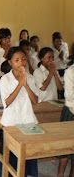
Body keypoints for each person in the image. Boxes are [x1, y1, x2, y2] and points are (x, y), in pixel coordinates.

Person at [0, 47, 39, 177]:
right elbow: (7, 102)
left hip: (28, 122)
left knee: (28, 158)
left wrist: (25, 83)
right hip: (11, 124)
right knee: (10, 161)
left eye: (23, 59)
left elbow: (35, 100)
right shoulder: (5, 80)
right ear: (10, 62)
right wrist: (20, 84)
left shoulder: (30, 78)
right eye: (16, 60)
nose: (21, 63)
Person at [57, 42, 74, 177]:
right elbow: (69, 95)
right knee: (66, 149)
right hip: (71, 111)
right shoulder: (70, 71)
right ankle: (60, 174)